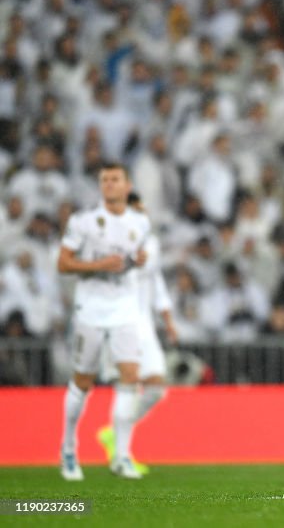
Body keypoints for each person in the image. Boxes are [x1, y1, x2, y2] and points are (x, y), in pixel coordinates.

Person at [58, 163, 152, 480]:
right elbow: (63, 263)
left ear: (127, 185)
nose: (109, 185)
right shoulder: (83, 221)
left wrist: (136, 261)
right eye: (104, 180)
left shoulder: (140, 223)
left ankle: (122, 456)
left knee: (130, 376)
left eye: (115, 179)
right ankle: (68, 450)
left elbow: (133, 260)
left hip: (125, 304)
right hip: (92, 305)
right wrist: (99, 264)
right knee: (83, 380)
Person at [97, 193, 178, 475]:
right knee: (127, 386)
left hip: (144, 324)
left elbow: (156, 281)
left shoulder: (150, 243)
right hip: (119, 323)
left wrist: (167, 319)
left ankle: (113, 434)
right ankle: (122, 457)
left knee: (156, 389)